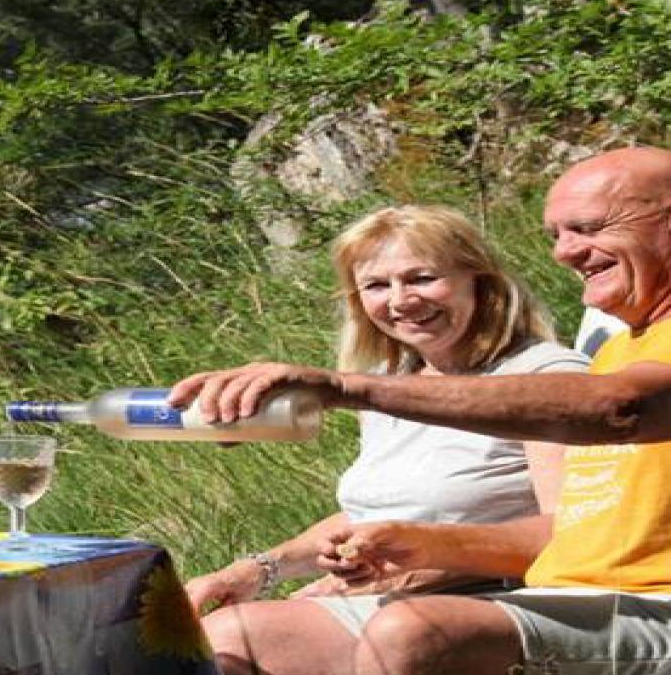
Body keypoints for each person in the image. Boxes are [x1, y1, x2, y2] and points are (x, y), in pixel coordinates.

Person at [169, 145, 671, 675]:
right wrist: (403, 545)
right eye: (556, 235)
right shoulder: (621, 341)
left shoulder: (581, 371)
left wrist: (345, 389)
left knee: (415, 633)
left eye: (590, 228)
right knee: (238, 640)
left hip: (655, 608)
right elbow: (575, 524)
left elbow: (619, 411)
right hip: (569, 603)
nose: (566, 253)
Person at [184, 205, 586, 616]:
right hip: (394, 602)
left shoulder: (547, 378)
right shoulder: (386, 385)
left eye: (422, 278)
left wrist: (411, 572)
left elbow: (576, 531)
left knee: (238, 636)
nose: (401, 300)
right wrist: (256, 570)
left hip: (488, 603)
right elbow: (375, 514)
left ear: (480, 280)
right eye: (376, 285)